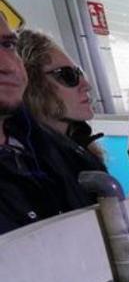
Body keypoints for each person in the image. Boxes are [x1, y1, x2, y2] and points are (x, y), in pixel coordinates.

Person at [1, 18, 103, 234]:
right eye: (67, 76)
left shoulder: (71, 154)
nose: (86, 85)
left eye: (8, 45)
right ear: (34, 84)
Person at [15, 30, 103, 159]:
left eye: (79, 73)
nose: (86, 86)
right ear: (31, 85)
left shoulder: (80, 149)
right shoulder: (23, 161)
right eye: (67, 75)